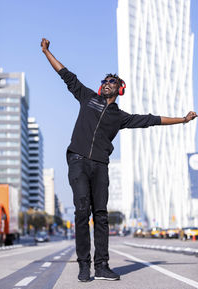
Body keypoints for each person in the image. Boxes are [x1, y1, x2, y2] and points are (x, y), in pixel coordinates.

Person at [41, 38, 197, 282]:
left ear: (119, 89)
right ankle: (84, 265)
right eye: (104, 81)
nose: (106, 84)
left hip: (101, 166)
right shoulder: (87, 96)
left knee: (100, 214)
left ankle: (102, 266)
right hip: (78, 160)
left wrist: (183, 119)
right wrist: (47, 52)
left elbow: (151, 120)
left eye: (111, 82)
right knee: (83, 210)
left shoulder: (120, 117)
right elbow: (66, 74)